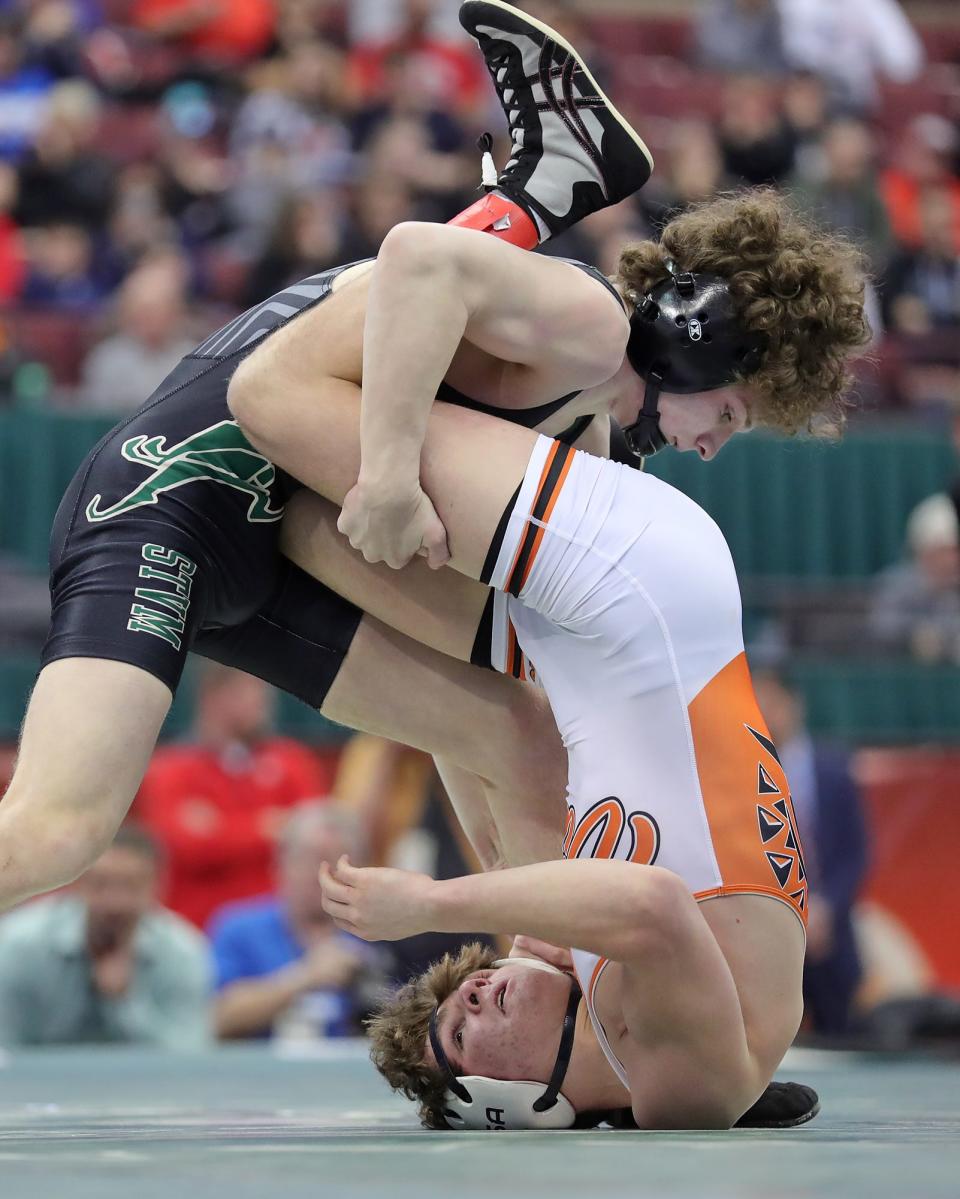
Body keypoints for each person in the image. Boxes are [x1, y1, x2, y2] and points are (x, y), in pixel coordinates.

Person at [137, 663, 329, 929]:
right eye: (250, 692)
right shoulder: (170, 768)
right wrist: (268, 826)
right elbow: (184, 846)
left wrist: (220, 827)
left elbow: (316, 838)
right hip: (197, 928)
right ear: (214, 697)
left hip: (280, 933)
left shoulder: (293, 761)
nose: (262, 703)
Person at [0, 823, 211, 1049]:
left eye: (131, 886)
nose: (114, 902)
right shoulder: (20, 945)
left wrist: (125, 1002)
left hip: (142, 1083)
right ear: (76, 883)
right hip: (35, 1083)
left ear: (157, 886)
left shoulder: (183, 952)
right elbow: (5, 1046)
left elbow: (189, 1056)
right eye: (100, 885)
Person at [209, 801, 389, 1041]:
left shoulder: (382, 933)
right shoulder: (238, 928)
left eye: (340, 863)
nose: (325, 875)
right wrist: (306, 977)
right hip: (258, 1071)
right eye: (312, 858)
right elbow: (215, 1018)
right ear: (279, 864)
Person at [753, 670, 869, 1037]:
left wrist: (826, 907)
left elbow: (854, 853)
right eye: (758, 703)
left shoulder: (832, 770)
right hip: (771, 928)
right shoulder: (744, 773)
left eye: (774, 702)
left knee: (841, 1032)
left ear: (795, 705)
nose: (767, 712)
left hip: (830, 934)